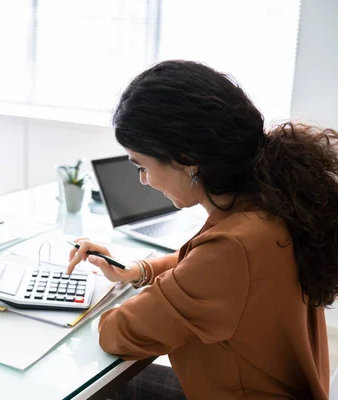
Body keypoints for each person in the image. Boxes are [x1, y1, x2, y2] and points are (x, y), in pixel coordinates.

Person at [67, 60, 338, 399]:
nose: (143, 180)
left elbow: (118, 333)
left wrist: (101, 315)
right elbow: (198, 267)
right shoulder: (270, 202)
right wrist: (138, 271)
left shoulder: (234, 247)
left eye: (142, 166)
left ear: (185, 159)